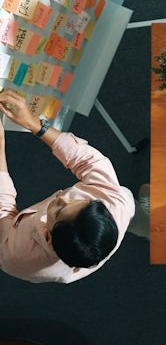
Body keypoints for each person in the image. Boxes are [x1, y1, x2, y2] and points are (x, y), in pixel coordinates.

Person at [0, 90, 134, 283]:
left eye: (59, 210)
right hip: (126, 208)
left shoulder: (18, 256)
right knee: (129, 205)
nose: (61, 197)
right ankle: (142, 223)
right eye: (81, 201)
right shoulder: (113, 202)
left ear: (49, 238)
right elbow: (87, 160)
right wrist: (33, 123)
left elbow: (3, 211)